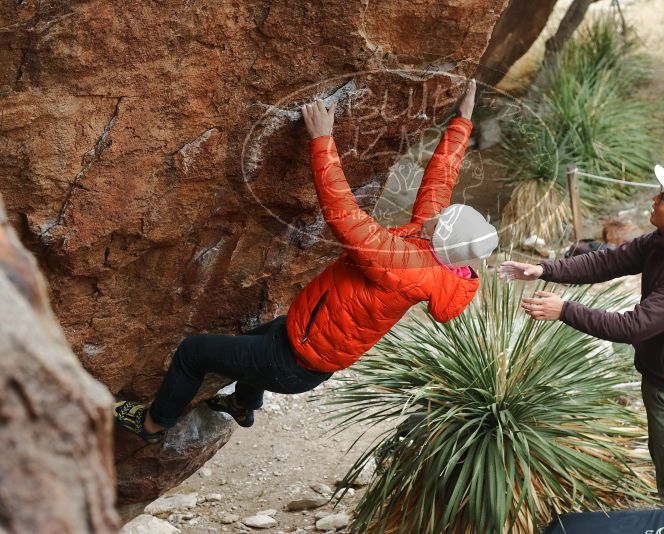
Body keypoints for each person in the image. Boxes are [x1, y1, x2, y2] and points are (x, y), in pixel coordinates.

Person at [114, 79, 499, 443]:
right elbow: (440, 180)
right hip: (304, 339)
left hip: (293, 362)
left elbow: (344, 215)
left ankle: (151, 425)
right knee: (256, 339)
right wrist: (462, 119)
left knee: (193, 352)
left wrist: (322, 139)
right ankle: (242, 404)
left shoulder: (403, 264)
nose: (436, 212)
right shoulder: (437, 251)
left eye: (442, 219)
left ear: (440, 236)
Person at [498, 165, 664, 534]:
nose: (654, 198)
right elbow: (607, 261)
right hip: (662, 379)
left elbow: (634, 326)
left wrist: (565, 310)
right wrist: (543, 269)